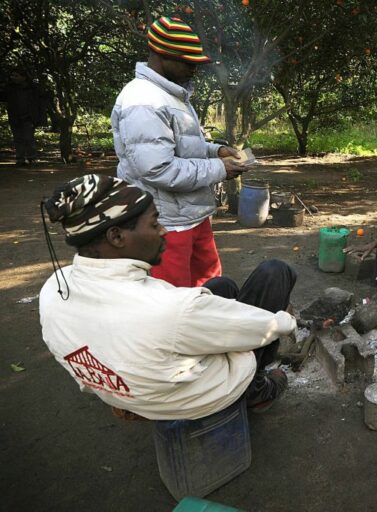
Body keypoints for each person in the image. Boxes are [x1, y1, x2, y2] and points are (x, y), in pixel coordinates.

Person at [39, 174, 295, 420]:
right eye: (154, 224)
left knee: (222, 286)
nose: (163, 231)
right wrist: (287, 319)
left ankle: (128, 406)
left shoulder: (52, 288)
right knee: (275, 273)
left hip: (126, 392)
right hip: (194, 398)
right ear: (116, 236)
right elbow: (274, 326)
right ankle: (257, 391)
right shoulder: (169, 308)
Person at [111, 16, 247, 288]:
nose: (194, 68)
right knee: (174, 297)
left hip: (191, 215)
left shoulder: (172, 95)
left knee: (210, 289)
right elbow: (158, 169)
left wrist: (216, 151)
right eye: (188, 61)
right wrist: (220, 170)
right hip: (165, 223)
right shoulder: (142, 101)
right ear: (162, 56)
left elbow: (183, 147)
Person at [0, 67, 47, 166]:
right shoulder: (10, 88)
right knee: (18, 139)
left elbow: (40, 103)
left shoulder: (33, 88)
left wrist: (40, 118)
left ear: (23, 77)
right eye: (12, 75)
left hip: (28, 118)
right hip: (15, 117)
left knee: (29, 138)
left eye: (16, 76)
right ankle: (20, 159)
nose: (13, 78)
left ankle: (32, 158)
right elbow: (3, 97)